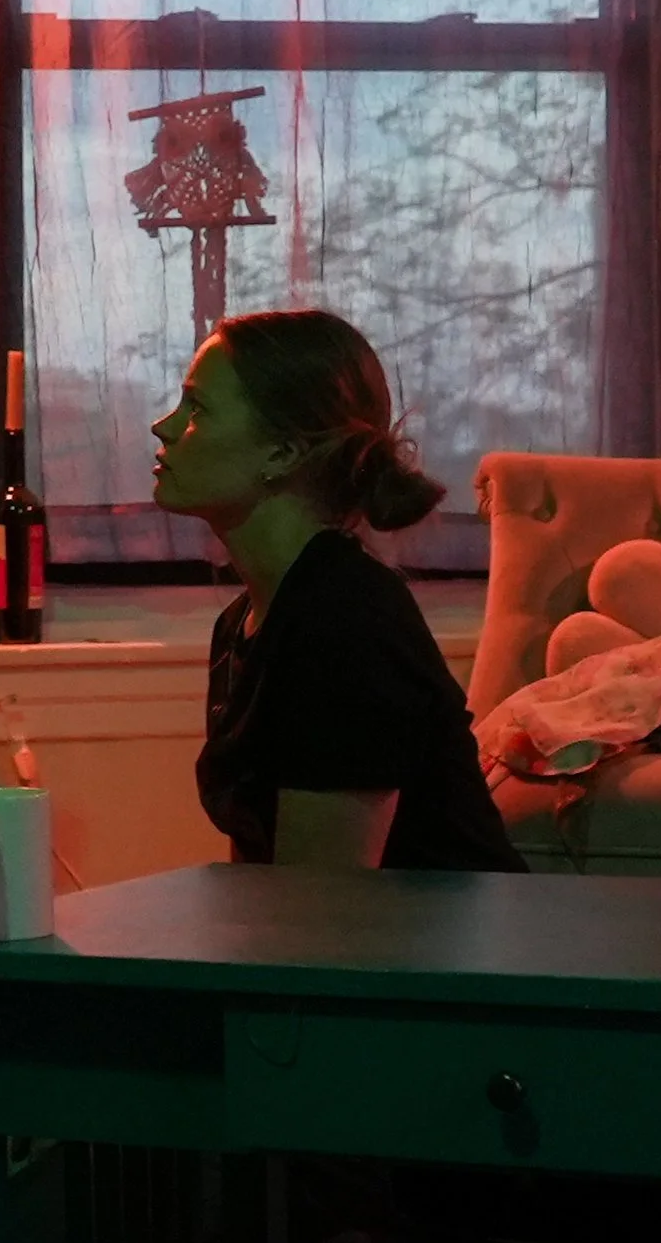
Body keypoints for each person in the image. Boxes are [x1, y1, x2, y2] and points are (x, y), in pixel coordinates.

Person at [148, 308, 523, 871]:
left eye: (196, 408)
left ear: (283, 453)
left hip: (429, 930)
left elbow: (325, 899)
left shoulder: (344, 622)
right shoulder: (244, 622)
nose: (164, 426)